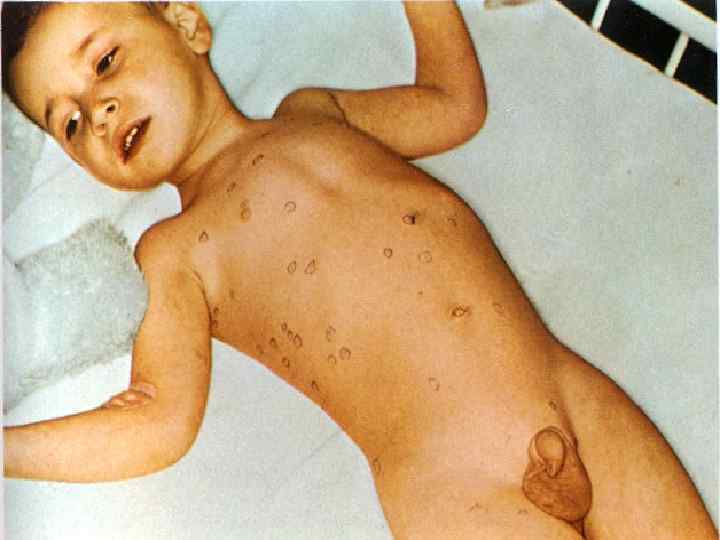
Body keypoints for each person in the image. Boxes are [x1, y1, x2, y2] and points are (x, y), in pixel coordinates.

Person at [2, 2, 715, 538]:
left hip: (569, 396)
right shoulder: (177, 250)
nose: (99, 112)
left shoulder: (318, 112)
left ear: (188, 24)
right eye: (70, 124)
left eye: (105, 63)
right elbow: (156, 419)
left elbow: (455, 105)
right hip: (452, 486)